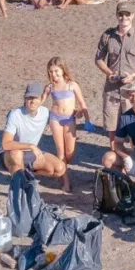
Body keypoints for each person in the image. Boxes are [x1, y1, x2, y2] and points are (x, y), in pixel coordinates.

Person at [95, 2, 135, 150]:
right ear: (117, 15)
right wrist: (109, 73)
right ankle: (115, 156)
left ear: (133, 15)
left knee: (134, 126)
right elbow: (98, 59)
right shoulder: (107, 35)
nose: (124, 17)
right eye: (121, 14)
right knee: (112, 127)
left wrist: (134, 76)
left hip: (133, 91)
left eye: (127, 14)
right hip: (112, 90)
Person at [0, 82, 66, 179]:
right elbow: (6, 144)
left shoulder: (45, 113)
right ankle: (18, 184)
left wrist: (75, 112)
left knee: (59, 168)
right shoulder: (15, 114)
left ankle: (26, 173)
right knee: (17, 154)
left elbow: (61, 119)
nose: (32, 101)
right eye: (29, 98)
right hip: (8, 154)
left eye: (36, 98)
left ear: (41, 98)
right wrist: (31, 146)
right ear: (25, 99)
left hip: (29, 153)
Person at [43, 58, 90, 193]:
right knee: (61, 151)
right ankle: (66, 182)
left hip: (69, 119)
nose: (53, 74)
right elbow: (40, 101)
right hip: (55, 119)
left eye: (56, 71)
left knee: (70, 152)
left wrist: (87, 120)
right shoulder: (50, 87)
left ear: (63, 70)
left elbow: (82, 104)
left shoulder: (72, 85)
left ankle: (59, 167)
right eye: (50, 72)